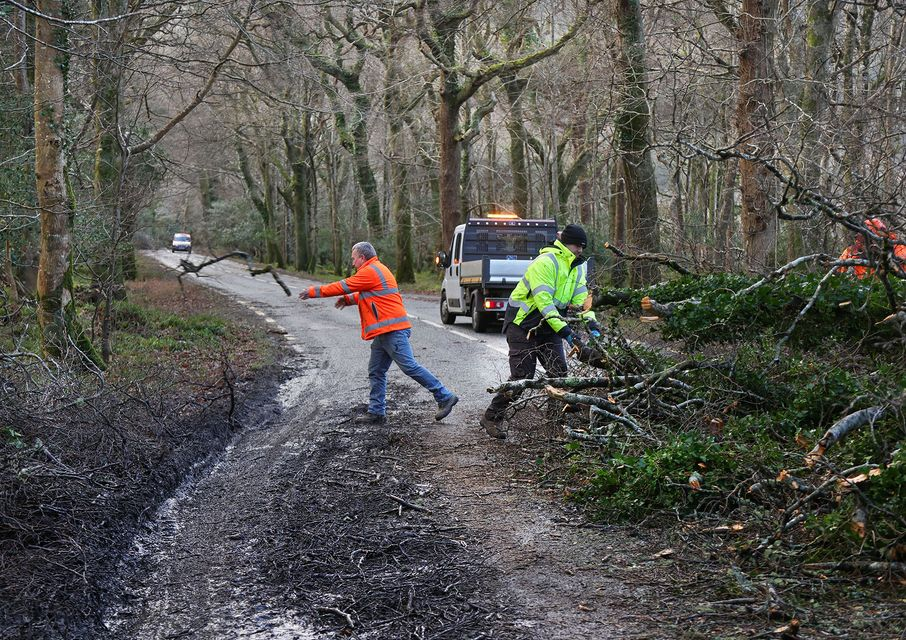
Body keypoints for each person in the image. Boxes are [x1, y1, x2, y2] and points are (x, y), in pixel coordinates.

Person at [299, 242, 458, 425]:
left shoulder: (369, 271)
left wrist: (312, 292)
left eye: (353, 259)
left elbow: (342, 285)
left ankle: (444, 396)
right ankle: (376, 412)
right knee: (376, 371)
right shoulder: (376, 270)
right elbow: (369, 294)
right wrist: (349, 300)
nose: (352, 263)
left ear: (362, 257)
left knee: (409, 367)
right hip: (385, 332)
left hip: (393, 330)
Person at [479, 224, 600, 439]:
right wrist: (567, 334)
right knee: (522, 375)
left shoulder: (578, 267)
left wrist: (593, 327)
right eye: (576, 245)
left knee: (559, 374)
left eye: (583, 246)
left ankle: (555, 422)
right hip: (522, 324)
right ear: (564, 242)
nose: (580, 250)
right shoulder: (545, 262)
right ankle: (491, 416)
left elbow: (582, 303)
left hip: (548, 327)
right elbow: (545, 305)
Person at [837, 217, 906, 279]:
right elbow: (839, 276)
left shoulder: (899, 248)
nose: (858, 235)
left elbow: (901, 273)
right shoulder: (851, 251)